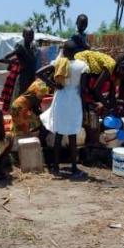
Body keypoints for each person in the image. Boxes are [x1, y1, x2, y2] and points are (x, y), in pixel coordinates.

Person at [37, 40, 89, 180]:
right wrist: (85, 108)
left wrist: (53, 84)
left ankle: (55, 166)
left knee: (59, 134)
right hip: (74, 100)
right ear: (76, 52)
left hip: (60, 99)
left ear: (64, 52)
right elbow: (83, 89)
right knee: (72, 135)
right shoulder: (83, 66)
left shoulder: (58, 63)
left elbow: (39, 72)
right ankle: (73, 168)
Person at [0, 27, 40, 97]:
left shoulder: (32, 48)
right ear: (23, 35)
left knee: (31, 101)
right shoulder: (20, 47)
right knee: (21, 100)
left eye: (32, 35)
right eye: (28, 34)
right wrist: (15, 63)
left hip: (32, 78)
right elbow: (4, 58)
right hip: (23, 79)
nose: (31, 37)